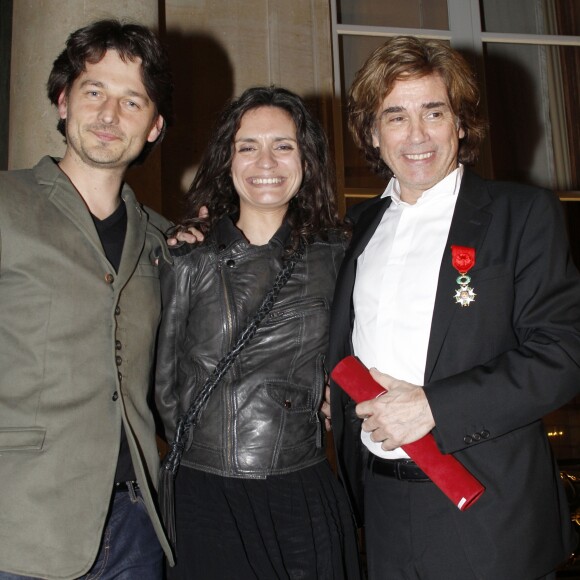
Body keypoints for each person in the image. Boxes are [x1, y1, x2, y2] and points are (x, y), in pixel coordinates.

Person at [326, 35, 580, 579]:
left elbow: (563, 355)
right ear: (373, 133)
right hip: (382, 510)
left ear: (460, 122)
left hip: (490, 515)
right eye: (395, 116)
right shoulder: (353, 229)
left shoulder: (521, 214)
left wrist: (435, 407)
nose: (416, 135)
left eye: (433, 112)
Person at [155, 86, 361, 580]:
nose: (265, 161)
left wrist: (342, 400)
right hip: (206, 493)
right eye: (248, 146)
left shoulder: (340, 255)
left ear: (306, 160)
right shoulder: (187, 258)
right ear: (227, 160)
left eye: (283, 145)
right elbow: (161, 384)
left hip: (300, 487)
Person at [0, 19, 175, 579]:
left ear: (154, 128)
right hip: (22, 525)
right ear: (62, 101)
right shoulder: (5, 204)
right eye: (94, 91)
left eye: (132, 101)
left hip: (136, 525)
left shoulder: (163, 240)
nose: (108, 114)